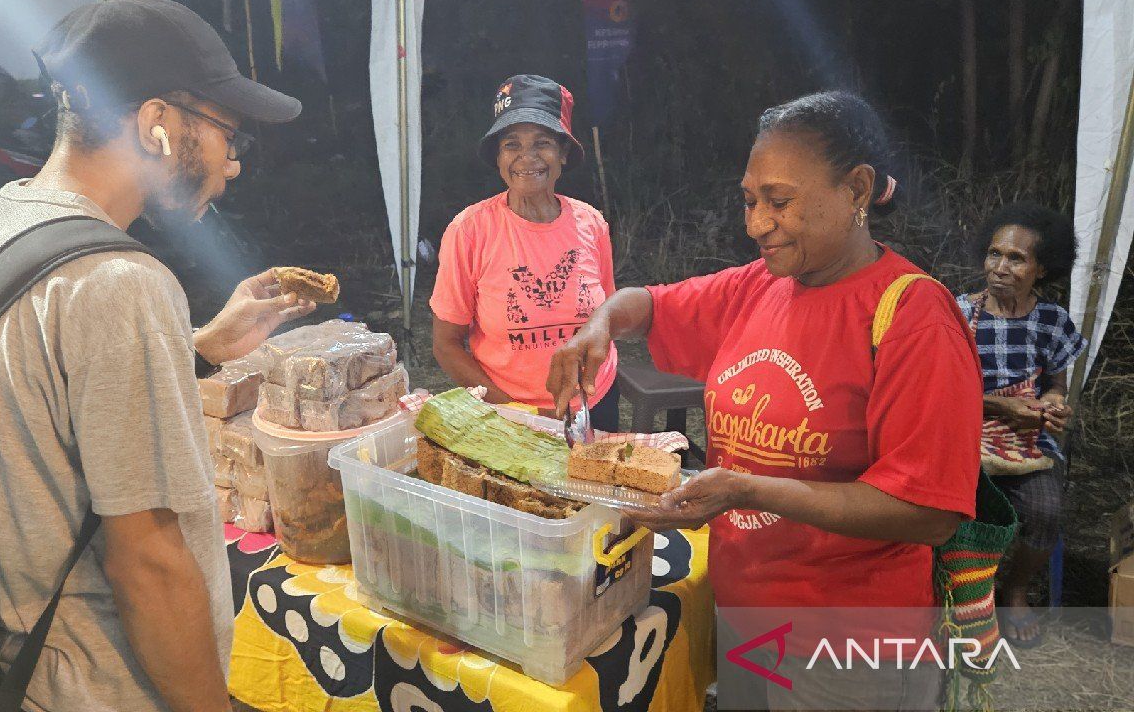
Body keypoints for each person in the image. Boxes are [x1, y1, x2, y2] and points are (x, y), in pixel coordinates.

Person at [0, 0, 314, 712]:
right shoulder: (121, 285)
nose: (231, 166)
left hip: (4, 665)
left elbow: (32, 399)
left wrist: (197, 347)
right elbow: (148, 564)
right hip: (102, 689)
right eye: (227, 135)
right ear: (157, 125)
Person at [548, 91, 982, 710]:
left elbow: (929, 511)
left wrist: (747, 490)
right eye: (749, 201)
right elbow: (651, 303)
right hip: (745, 617)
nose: (755, 224)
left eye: (779, 202)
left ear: (857, 189)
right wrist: (600, 323)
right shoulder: (763, 286)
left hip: (847, 649)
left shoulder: (913, 316)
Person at [431, 74, 619, 430]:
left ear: (563, 152)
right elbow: (446, 344)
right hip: (508, 414)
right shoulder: (469, 230)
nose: (526, 157)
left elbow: (606, 314)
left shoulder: (591, 222)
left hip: (596, 402)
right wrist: (512, 412)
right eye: (511, 144)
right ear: (499, 157)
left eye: (543, 143)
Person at [957, 202, 1085, 648]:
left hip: (1027, 443)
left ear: (1041, 269)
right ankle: (963, 592)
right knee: (950, 509)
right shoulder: (957, 313)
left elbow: (1056, 388)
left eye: (1016, 258)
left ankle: (1013, 589)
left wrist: (1052, 407)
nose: (1001, 268)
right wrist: (999, 406)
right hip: (963, 434)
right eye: (995, 254)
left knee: (1046, 511)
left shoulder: (1051, 321)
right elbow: (941, 394)